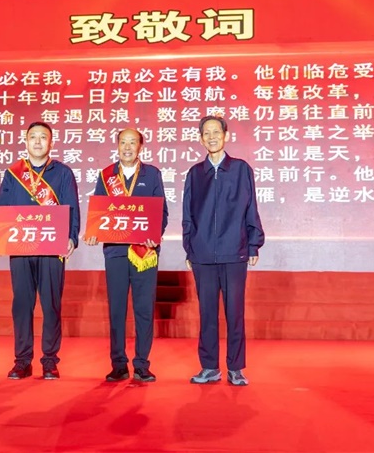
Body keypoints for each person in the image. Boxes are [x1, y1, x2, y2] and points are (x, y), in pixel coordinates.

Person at [0, 121, 80, 380]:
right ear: (26, 141)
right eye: (33, 137)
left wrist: (71, 237)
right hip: (20, 245)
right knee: (22, 305)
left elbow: (72, 207)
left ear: (51, 142)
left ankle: (49, 361)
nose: (38, 142)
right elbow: (0, 207)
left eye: (43, 137)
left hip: (52, 246)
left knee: (51, 305)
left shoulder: (63, 173)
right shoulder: (13, 173)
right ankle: (22, 361)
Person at [182, 115, 265, 386]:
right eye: (206, 133)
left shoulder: (241, 169)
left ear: (226, 136)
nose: (212, 137)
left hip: (234, 251)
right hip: (203, 254)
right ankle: (209, 367)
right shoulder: (195, 173)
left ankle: (235, 368)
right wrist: (189, 247)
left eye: (216, 132)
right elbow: (187, 214)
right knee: (207, 314)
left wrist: (253, 243)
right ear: (200, 139)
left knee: (234, 313)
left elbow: (251, 207)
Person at [84, 128, 168, 383]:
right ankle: (118, 364)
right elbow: (99, 211)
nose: (128, 147)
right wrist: (93, 232)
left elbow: (162, 212)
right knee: (117, 309)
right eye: (123, 142)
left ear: (141, 146)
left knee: (144, 309)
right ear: (117, 145)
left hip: (144, 252)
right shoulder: (106, 175)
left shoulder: (152, 174)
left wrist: (155, 234)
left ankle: (142, 364)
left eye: (133, 142)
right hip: (116, 252)